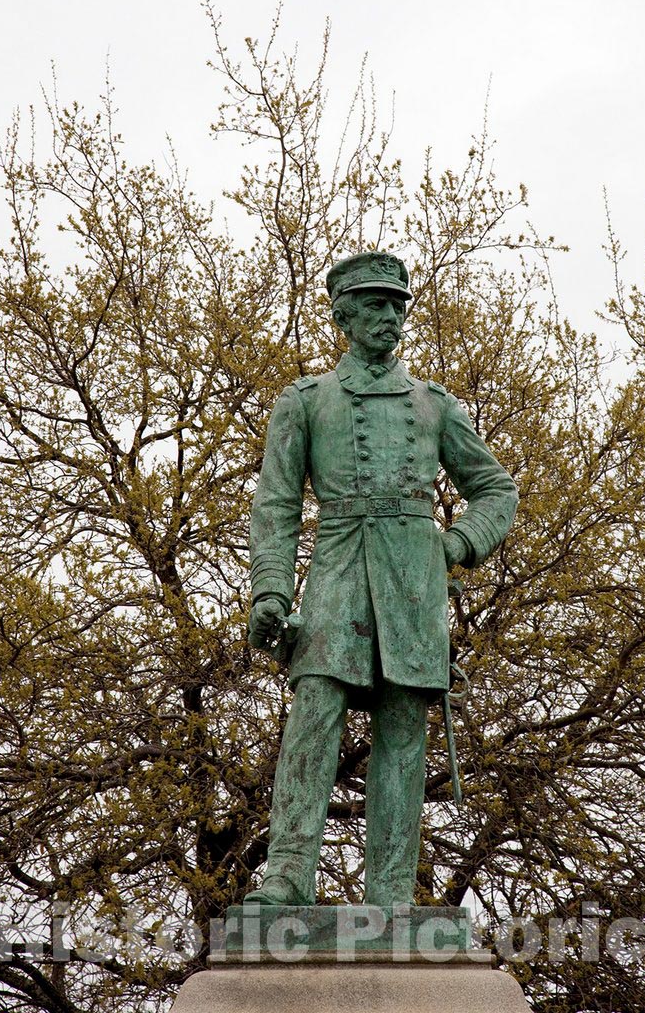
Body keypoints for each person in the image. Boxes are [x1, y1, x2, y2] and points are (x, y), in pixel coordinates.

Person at [245, 251, 517, 906]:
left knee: (402, 732)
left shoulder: (434, 406)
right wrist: (271, 591)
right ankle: (285, 876)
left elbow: (495, 490)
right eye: (373, 307)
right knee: (313, 714)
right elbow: (277, 505)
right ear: (343, 315)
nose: (388, 318)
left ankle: (391, 889)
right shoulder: (304, 402)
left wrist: (453, 545)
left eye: (396, 307)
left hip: (412, 586)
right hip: (337, 571)